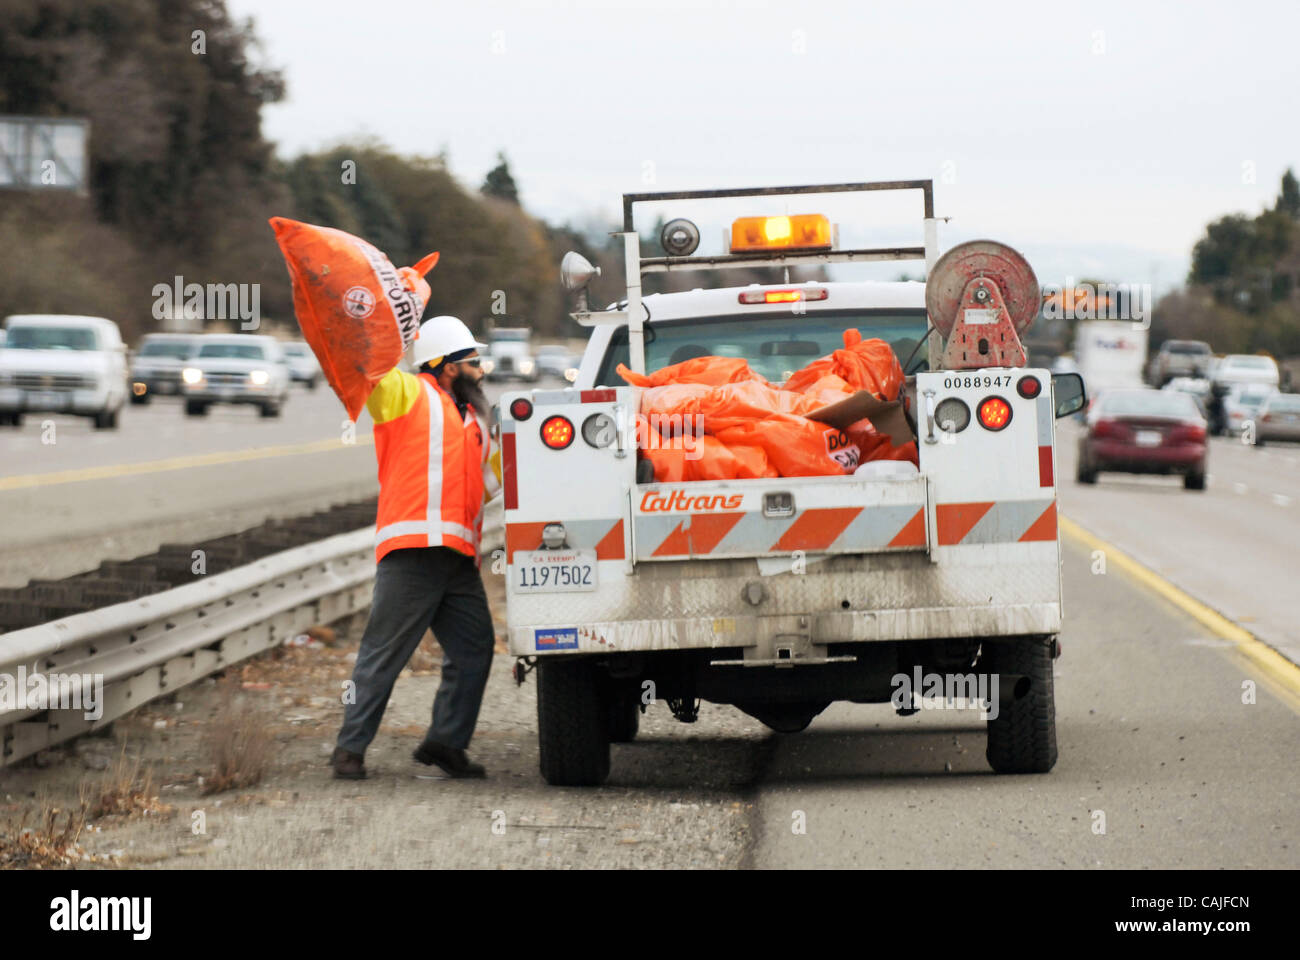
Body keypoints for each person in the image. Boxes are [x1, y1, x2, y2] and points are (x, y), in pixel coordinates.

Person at [331, 315, 500, 780]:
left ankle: (445, 743)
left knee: (474, 649)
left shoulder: (479, 421)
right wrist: (386, 316)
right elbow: (369, 369)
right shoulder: (407, 394)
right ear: (445, 366)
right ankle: (349, 751)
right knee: (384, 653)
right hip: (412, 551)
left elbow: (492, 484)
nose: (481, 370)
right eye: (473, 361)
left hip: (458, 559)